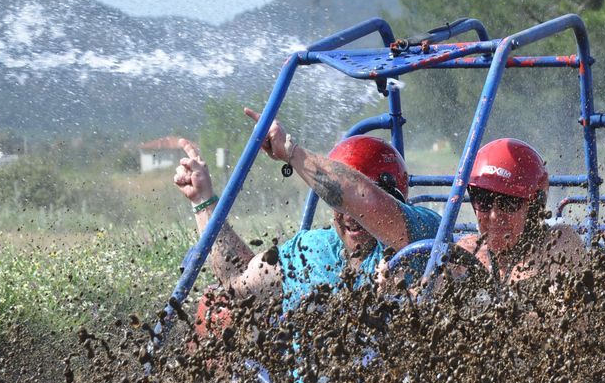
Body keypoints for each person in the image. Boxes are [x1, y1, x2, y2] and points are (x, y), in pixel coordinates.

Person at [172, 109, 441, 316]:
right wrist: (203, 199)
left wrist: (291, 152)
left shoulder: (420, 235)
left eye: (351, 204)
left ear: (393, 196)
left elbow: (362, 198)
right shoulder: (311, 249)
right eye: (338, 205)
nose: (348, 214)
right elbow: (237, 283)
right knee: (212, 307)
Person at [454, 138, 584, 284]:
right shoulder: (469, 249)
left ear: (533, 209)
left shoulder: (558, 242)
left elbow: (568, 304)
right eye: (484, 200)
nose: (494, 215)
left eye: (509, 202)